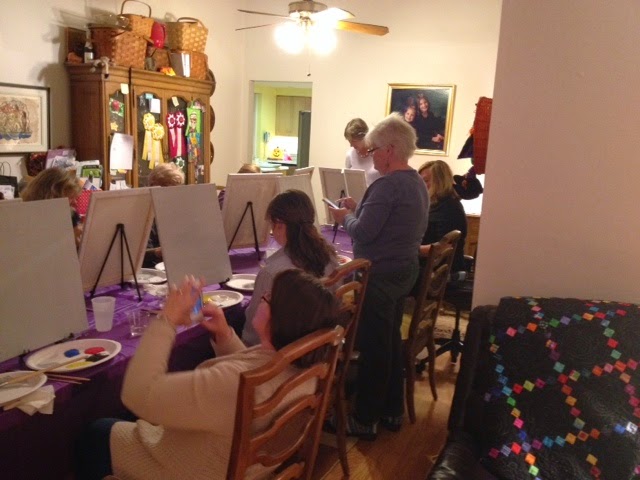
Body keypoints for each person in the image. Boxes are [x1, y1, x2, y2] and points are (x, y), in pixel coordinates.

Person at [75, 269, 340, 480]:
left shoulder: (230, 383)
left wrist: (167, 320)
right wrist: (224, 335)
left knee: (94, 433)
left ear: (282, 319)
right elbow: (255, 376)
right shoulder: (303, 363)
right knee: (128, 419)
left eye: (269, 297)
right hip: (243, 465)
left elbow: (138, 394)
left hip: (194, 467)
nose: (263, 297)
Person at [329, 113, 429, 438]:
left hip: (380, 275)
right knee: (390, 342)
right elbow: (388, 222)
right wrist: (359, 207)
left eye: (373, 151)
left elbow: (364, 233)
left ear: (389, 150)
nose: (371, 156)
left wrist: (345, 217)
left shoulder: (387, 185)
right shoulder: (416, 182)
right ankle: (392, 410)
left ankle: (366, 418)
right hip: (404, 271)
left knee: (375, 348)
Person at [242, 189, 337, 345]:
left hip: (282, 353)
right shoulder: (330, 256)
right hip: (319, 346)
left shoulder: (273, 273)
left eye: (272, 224)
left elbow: (252, 333)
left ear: (279, 225)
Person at [418, 160, 468, 276]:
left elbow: (444, 248)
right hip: (430, 267)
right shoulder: (434, 205)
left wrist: (409, 250)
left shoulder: (450, 208)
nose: (421, 185)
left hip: (439, 273)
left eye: (426, 181)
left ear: (440, 182)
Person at [21, 167, 83, 247]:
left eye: (75, 197)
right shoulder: (28, 221)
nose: (75, 202)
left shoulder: (72, 215)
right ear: (52, 197)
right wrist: (69, 239)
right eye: (70, 197)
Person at [143, 162, 185, 268]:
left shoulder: (175, 211)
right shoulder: (144, 213)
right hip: (150, 270)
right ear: (153, 186)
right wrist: (158, 252)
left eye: (176, 190)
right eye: (168, 190)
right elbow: (138, 255)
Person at [343, 118, 381, 186]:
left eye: (353, 141)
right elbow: (347, 181)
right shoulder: (350, 155)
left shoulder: (378, 152)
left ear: (364, 137)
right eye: (349, 141)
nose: (351, 145)